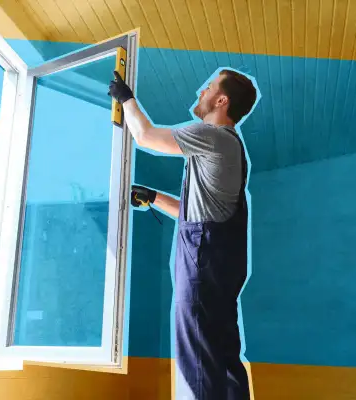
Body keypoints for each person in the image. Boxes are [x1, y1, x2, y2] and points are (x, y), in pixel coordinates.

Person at [109, 68, 257, 400]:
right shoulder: (231, 148)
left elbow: (145, 136)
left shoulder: (213, 136)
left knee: (201, 366)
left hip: (203, 275)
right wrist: (154, 198)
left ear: (222, 100)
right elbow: (199, 217)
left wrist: (125, 98)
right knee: (223, 362)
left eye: (208, 89)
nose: (199, 92)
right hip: (216, 276)